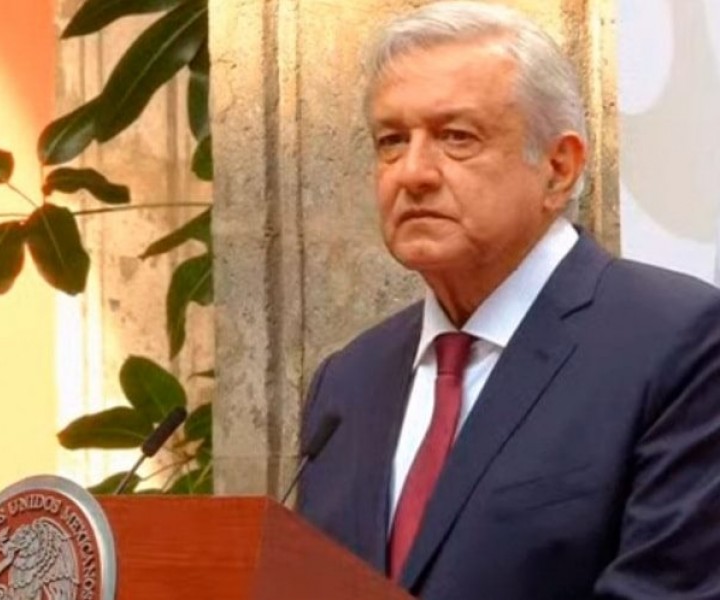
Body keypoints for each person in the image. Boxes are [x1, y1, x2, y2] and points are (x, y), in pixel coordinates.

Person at [297, 2, 720, 599]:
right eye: (391, 141)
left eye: (456, 138)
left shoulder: (678, 342)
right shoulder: (349, 381)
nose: (412, 173)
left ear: (558, 168)